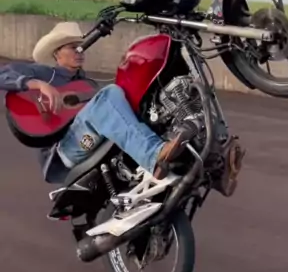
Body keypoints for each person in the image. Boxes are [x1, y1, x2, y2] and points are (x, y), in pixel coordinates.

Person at [0, 21, 198, 184]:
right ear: (56, 54)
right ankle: (154, 155)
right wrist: (38, 85)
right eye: (73, 48)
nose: (80, 51)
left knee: (131, 100)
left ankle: (190, 155)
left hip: (89, 140)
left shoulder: (86, 85)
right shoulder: (43, 73)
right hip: (64, 150)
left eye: (82, 47)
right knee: (109, 95)